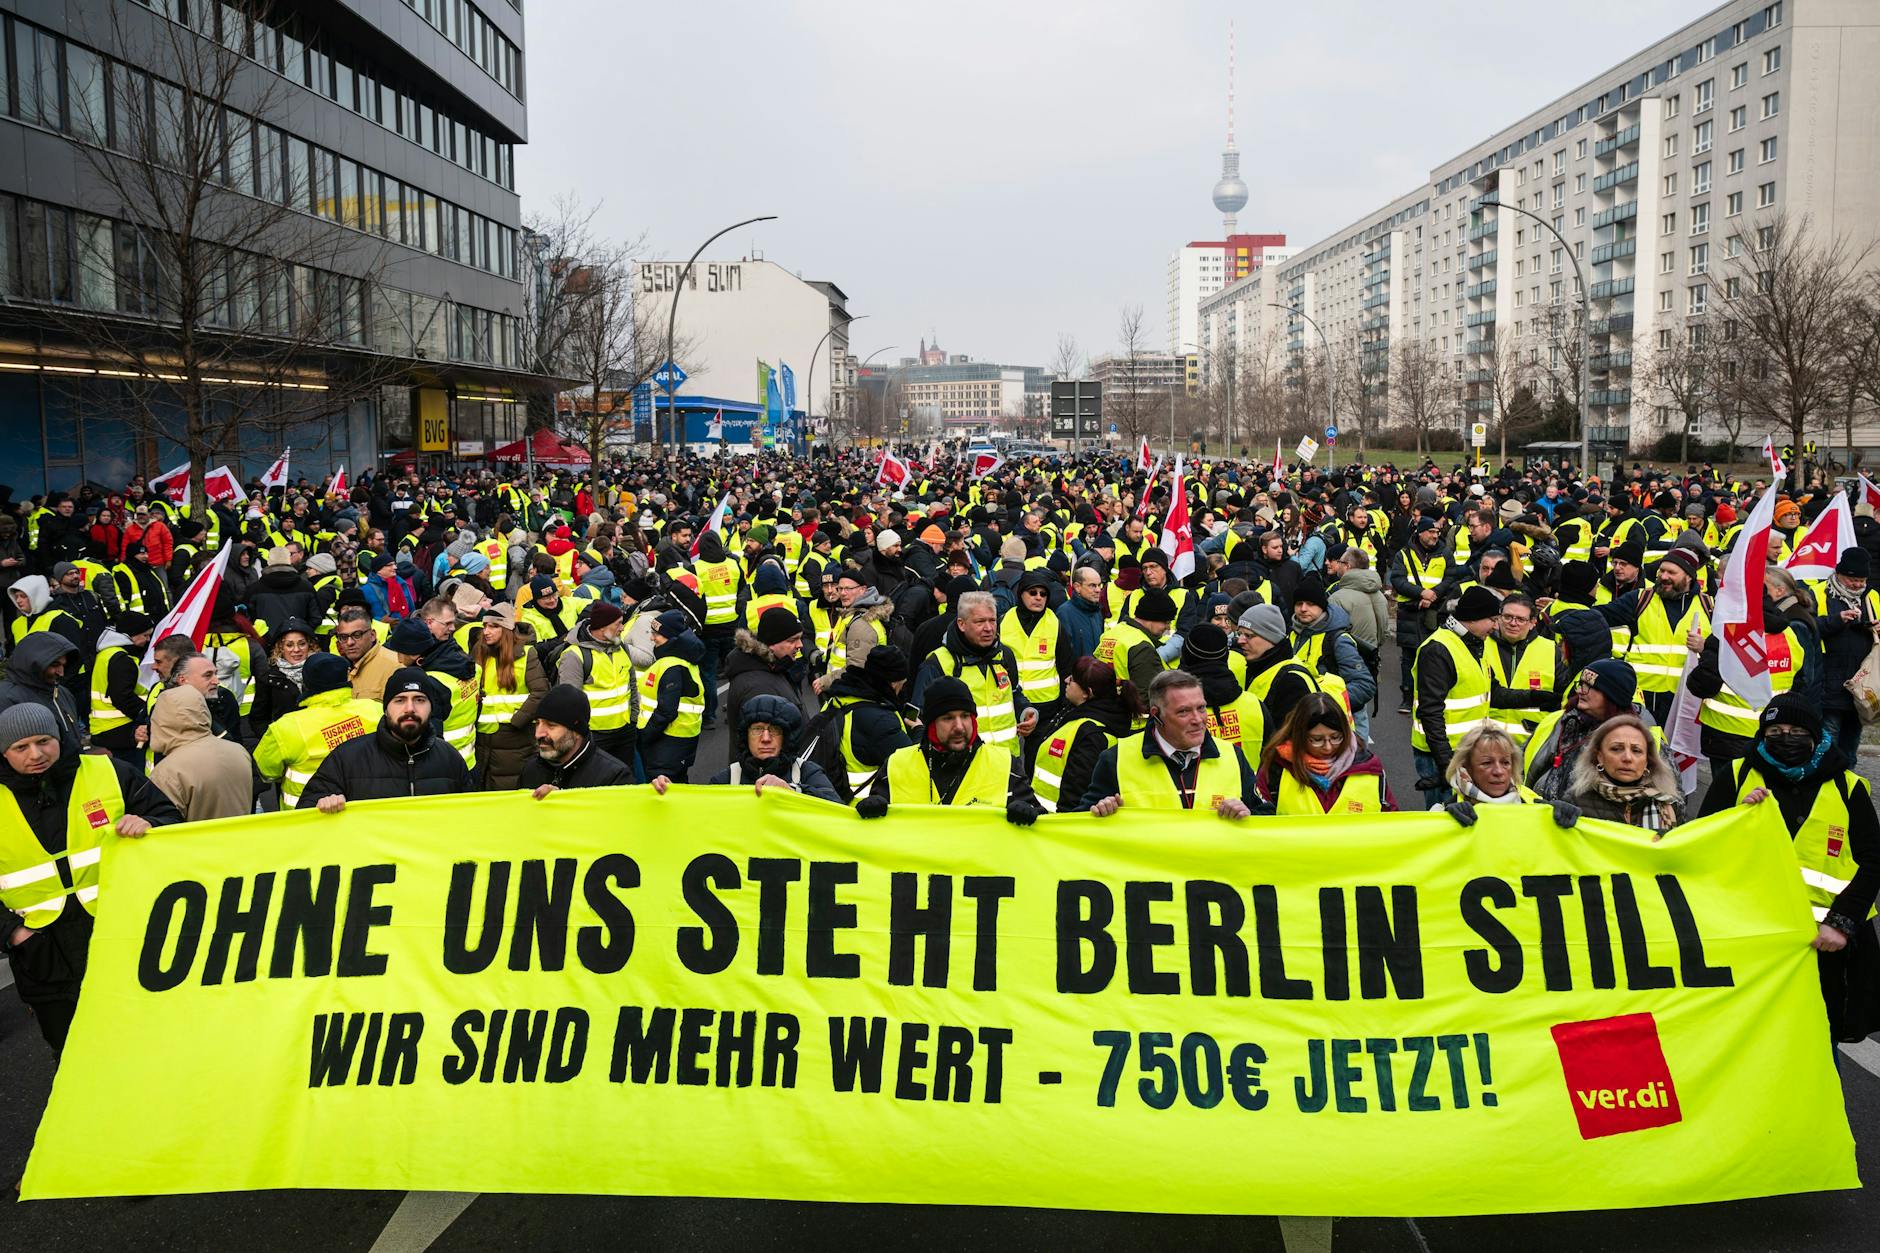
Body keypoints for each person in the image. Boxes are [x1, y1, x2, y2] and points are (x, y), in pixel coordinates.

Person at [1698, 694, 1880, 1043]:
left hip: (1825, 946)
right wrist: (1741, 819)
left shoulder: (1848, 787)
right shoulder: (1737, 777)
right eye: (1776, 730)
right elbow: (1703, 843)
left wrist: (1841, 925)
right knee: (1750, 1037)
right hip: (1751, 939)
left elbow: (1873, 862)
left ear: (1815, 736)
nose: (1785, 737)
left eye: (1796, 730)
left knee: (1820, 1040)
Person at [0, 702, 179, 1053]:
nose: (36, 754)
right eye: (21, 748)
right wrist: (14, 934)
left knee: (146, 1041)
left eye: (44, 741)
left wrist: (151, 824)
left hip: (120, 934)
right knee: (73, 1054)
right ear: (4, 752)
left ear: (60, 738)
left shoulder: (109, 771)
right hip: (45, 954)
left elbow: (168, 816)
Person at [1073, 669, 1257, 817]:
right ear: (1156, 715)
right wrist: (1099, 812)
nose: (1198, 720)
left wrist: (1248, 814)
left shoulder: (1233, 755)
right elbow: (1081, 823)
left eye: (1201, 708)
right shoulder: (1116, 758)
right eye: (1183, 712)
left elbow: (1266, 819)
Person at [859, 677, 1037, 817]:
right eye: (948, 718)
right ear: (931, 725)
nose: (959, 726)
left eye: (965, 716)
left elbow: (1043, 830)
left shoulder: (1005, 765)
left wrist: (1030, 812)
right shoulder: (896, 766)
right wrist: (873, 813)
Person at [298, 667, 472, 810]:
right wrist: (321, 804)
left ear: (431, 708)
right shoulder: (347, 758)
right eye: (399, 700)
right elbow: (305, 813)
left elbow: (469, 817)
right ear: (386, 709)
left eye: (419, 700)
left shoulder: (450, 758)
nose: (410, 708)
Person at [253, 652, 383, 811]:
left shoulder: (286, 727)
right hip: (365, 812)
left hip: (307, 817)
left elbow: (267, 772)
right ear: (347, 679)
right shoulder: (374, 710)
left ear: (306, 683)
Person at [912, 590, 1035, 755]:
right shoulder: (937, 663)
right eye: (980, 622)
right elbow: (915, 715)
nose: (989, 628)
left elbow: (1014, 694)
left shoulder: (1004, 655)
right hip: (963, 766)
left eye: (992, 620)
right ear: (961, 624)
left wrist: (1027, 711)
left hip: (1008, 762)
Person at [1410, 585, 1501, 805]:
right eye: (1492, 619)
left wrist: (1539, 698)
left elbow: (1491, 693)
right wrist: (1445, 763)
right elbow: (1430, 710)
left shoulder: (1476, 643)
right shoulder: (1438, 650)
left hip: (1468, 750)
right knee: (1444, 821)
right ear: (1472, 618)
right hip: (1441, 754)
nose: (1496, 626)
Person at [678, 693, 842, 802]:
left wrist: (793, 791)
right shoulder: (726, 779)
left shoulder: (807, 773)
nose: (765, 738)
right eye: (757, 730)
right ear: (745, 736)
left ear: (786, 738)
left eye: (774, 731)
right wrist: (666, 795)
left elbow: (838, 812)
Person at [1258, 692, 1396, 815]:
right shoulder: (1275, 770)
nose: (1328, 747)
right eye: (1317, 740)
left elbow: (1393, 823)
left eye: (1336, 737)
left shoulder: (1370, 769)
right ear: (1299, 736)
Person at [813, 644, 914, 802]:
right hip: (865, 812)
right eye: (903, 683)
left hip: (831, 800)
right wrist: (919, 730)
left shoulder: (837, 700)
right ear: (894, 683)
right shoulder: (880, 720)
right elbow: (912, 764)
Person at [147, 685, 255, 822]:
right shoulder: (238, 751)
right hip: (237, 839)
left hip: (195, 842)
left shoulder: (168, 772)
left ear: (162, 719)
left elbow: (163, 825)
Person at [472, 604, 551, 791]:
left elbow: (540, 692)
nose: (486, 632)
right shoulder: (480, 652)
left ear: (506, 629)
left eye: (493, 626)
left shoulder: (526, 655)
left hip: (516, 739)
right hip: (484, 738)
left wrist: (517, 721)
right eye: (485, 626)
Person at [1568, 713, 1684, 834]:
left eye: (1636, 750)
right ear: (1600, 757)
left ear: (1647, 761)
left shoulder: (1669, 804)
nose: (1627, 758)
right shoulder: (1575, 802)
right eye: (1616, 749)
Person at [556, 600, 638, 770]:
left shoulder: (621, 647)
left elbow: (632, 685)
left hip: (625, 731)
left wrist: (633, 719)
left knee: (624, 781)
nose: (622, 628)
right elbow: (569, 703)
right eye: (618, 624)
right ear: (603, 627)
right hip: (594, 736)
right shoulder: (574, 655)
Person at [1815, 547, 1879, 756]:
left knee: (1850, 747)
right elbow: (1807, 627)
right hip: (1829, 680)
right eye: (1853, 580)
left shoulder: (1872, 597)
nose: (1858, 585)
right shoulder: (1818, 593)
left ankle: (1846, 786)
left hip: (1861, 683)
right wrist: (1837, 620)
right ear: (1839, 574)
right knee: (1828, 745)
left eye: (1862, 580)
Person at [518, 684, 633, 797]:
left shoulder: (614, 777)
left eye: (551, 725)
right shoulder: (531, 769)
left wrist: (564, 801)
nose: (538, 734)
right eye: (537, 723)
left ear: (577, 731)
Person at [636, 610, 705, 782]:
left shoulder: (672, 666)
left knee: (664, 789)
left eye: (656, 634)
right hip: (678, 740)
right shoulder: (680, 659)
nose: (652, 638)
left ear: (671, 637)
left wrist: (644, 735)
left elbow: (667, 710)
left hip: (667, 742)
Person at [1234, 603, 1320, 741]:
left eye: (1249, 635)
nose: (1240, 641)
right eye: (1240, 634)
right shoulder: (1260, 667)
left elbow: (1294, 740)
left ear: (1270, 637)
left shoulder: (1291, 680)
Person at [0, 633, 87, 757]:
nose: (61, 673)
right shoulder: (6, 698)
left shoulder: (62, 692)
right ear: (32, 662)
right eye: (55, 665)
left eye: (64, 665)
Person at [725, 605, 808, 732]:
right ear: (772, 643)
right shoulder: (758, 687)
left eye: (800, 638)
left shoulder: (774, 667)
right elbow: (766, 744)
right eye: (792, 640)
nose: (800, 645)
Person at [87, 610, 152, 768]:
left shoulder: (108, 653)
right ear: (132, 634)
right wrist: (147, 712)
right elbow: (122, 697)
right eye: (145, 635)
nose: (148, 639)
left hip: (105, 727)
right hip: (120, 728)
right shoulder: (122, 659)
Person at [1440, 724, 1558, 811]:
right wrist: (1446, 823)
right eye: (1487, 763)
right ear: (1466, 768)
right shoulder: (1443, 813)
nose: (1498, 771)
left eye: (1505, 763)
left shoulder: (1533, 801)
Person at [1094, 586, 1176, 696]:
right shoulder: (1142, 648)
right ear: (1152, 617)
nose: (1168, 628)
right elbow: (1147, 696)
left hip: (1105, 705)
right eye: (1166, 622)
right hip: (1129, 710)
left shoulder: (1111, 634)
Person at [250, 618, 318, 735]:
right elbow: (259, 718)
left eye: (302, 644)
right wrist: (274, 741)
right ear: (281, 648)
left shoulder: (321, 671)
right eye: (289, 645)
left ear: (310, 646)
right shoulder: (269, 677)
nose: (296, 650)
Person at [335, 605, 401, 701]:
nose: (349, 642)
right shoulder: (339, 668)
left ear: (372, 635)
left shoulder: (395, 667)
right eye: (344, 637)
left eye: (357, 635)